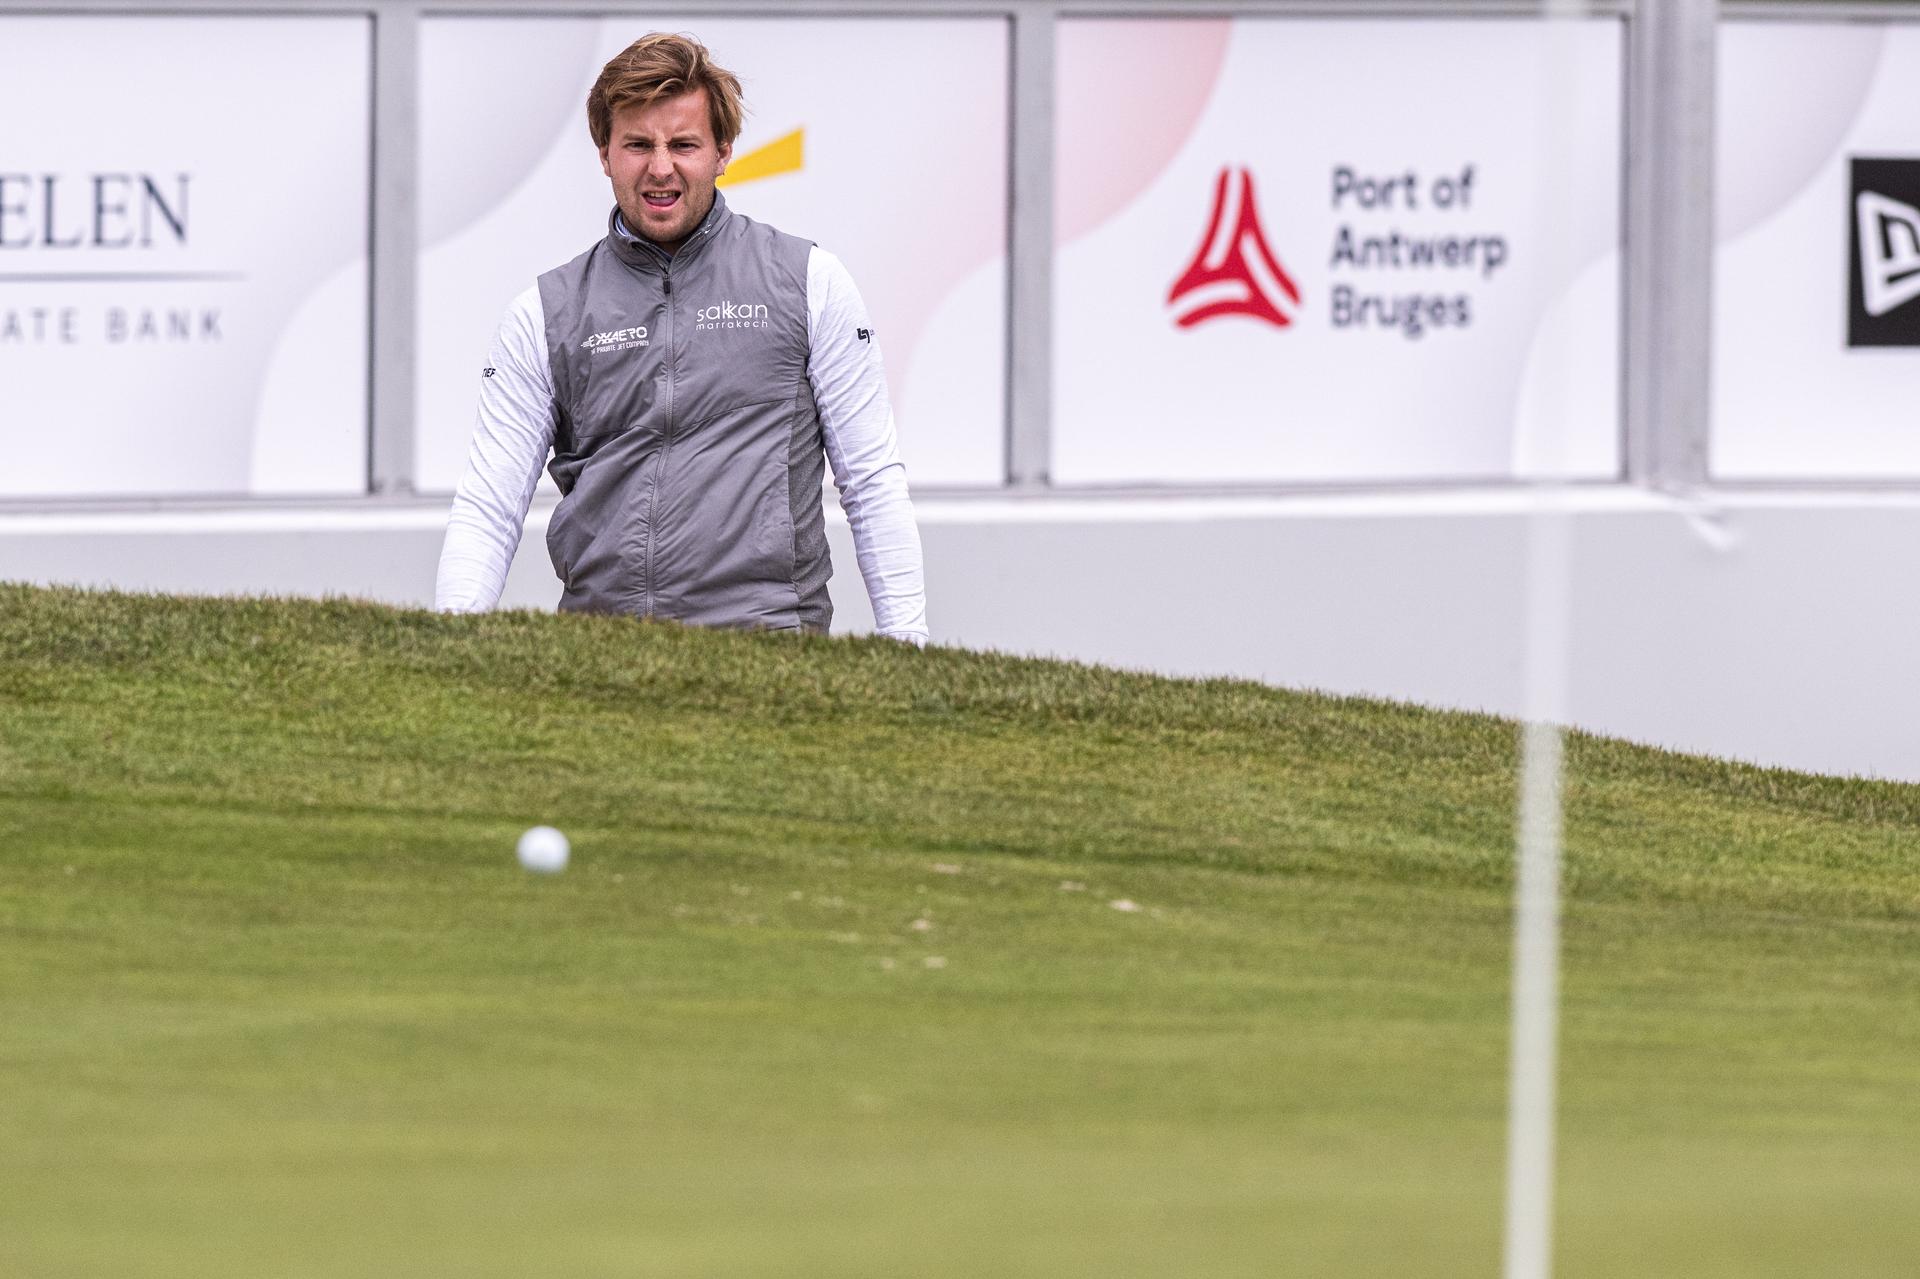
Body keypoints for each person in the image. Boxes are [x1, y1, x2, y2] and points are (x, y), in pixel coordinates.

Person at [434, 33, 928, 644]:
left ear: (723, 152)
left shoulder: (810, 282)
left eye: (683, 144)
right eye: (638, 144)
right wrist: (451, 647)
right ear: (605, 153)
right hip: (603, 656)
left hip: (771, 646)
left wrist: (907, 642)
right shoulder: (542, 312)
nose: (660, 167)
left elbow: (872, 478)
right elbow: (491, 503)